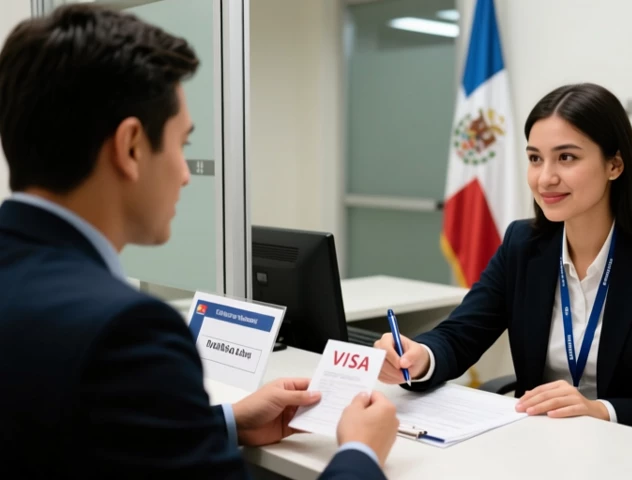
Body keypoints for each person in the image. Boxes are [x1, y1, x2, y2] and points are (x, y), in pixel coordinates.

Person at [0, 5, 397, 479]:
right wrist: (361, 452)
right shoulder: (128, 331)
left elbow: (70, 436)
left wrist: (225, 422)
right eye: (182, 145)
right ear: (131, 147)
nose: (187, 175)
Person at [374, 83, 632, 442]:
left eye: (566, 157)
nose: (545, 178)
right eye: (535, 158)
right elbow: (461, 334)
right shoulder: (523, 245)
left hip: (631, 451)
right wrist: (419, 356)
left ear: (614, 165)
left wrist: (599, 410)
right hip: (538, 444)